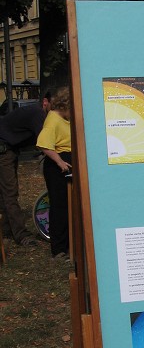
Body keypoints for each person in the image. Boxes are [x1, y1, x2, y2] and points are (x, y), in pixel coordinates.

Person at [0, 91, 52, 246]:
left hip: (8, 149)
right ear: (45, 102)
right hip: (4, 150)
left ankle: (6, 230)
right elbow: (45, 143)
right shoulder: (38, 114)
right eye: (55, 105)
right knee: (10, 192)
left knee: (4, 192)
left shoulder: (38, 112)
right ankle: (22, 235)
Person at [36, 87, 72, 259]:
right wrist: (59, 162)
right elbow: (43, 144)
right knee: (60, 206)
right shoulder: (53, 119)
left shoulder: (64, 119)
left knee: (69, 205)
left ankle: (69, 243)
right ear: (66, 105)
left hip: (68, 162)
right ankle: (58, 248)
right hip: (58, 167)